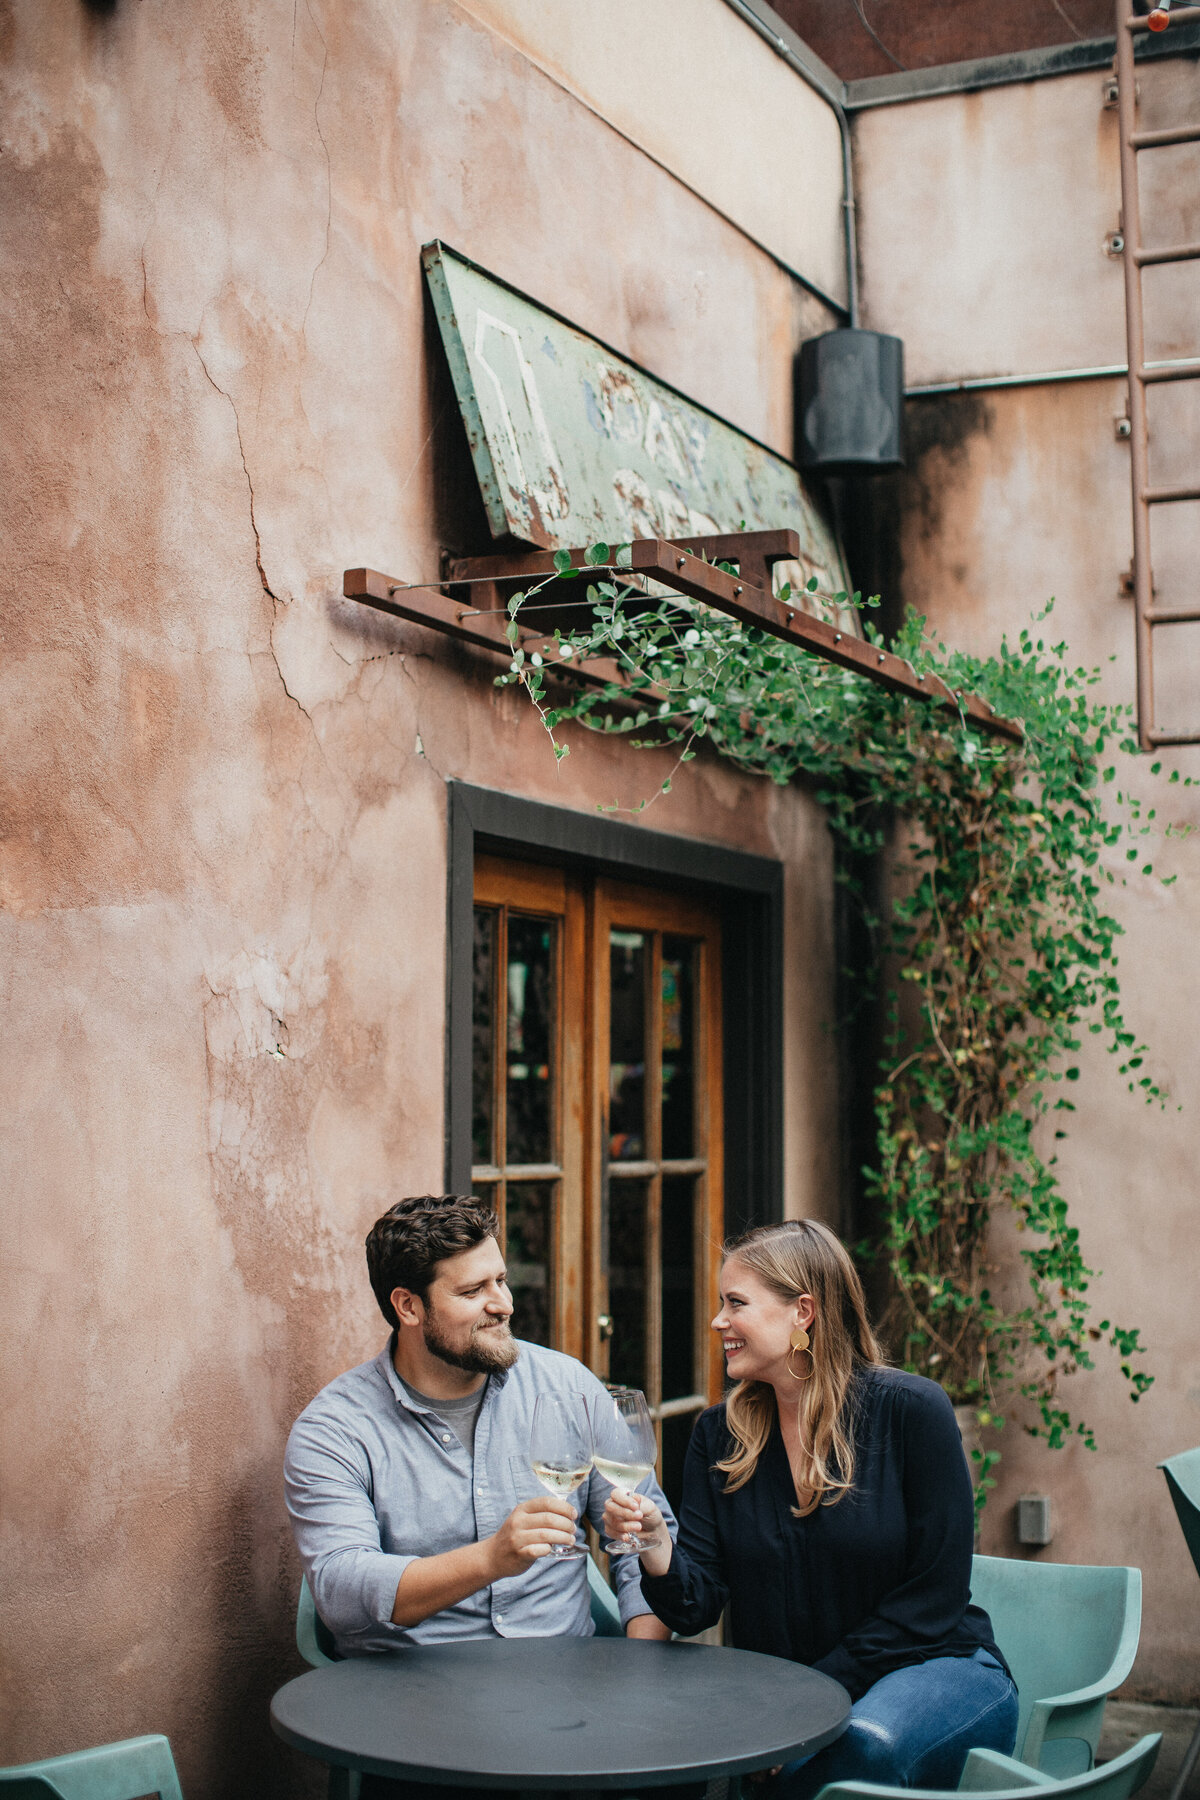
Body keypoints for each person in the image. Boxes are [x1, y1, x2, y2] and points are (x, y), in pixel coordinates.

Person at [603, 1220, 1018, 1800]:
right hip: (788, 1695)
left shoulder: (912, 1412)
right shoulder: (718, 1435)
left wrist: (809, 1701)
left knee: (861, 1748)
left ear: (803, 1312)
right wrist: (654, 1545)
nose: (718, 1321)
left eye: (736, 1303)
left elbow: (935, 1597)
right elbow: (696, 1606)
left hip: (934, 1670)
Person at [285, 1192, 675, 1656]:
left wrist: (640, 1664)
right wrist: (490, 1560)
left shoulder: (566, 1385)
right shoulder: (334, 1430)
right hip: (410, 1696)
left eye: (502, 1281)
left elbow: (643, 1533)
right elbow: (342, 1593)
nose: (503, 1304)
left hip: (562, 1689)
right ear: (408, 1307)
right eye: (473, 1291)